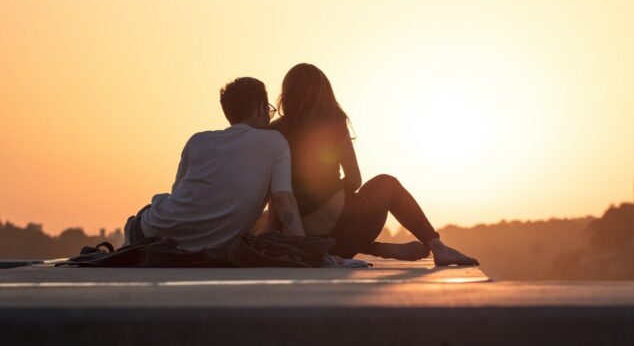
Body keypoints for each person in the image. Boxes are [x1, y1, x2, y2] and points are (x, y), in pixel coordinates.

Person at [269, 63, 478, 266]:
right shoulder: (333, 121)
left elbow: (274, 192)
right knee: (387, 184)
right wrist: (334, 193)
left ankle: (378, 249)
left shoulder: (275, 130)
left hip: (303, 238)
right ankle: (438, 248)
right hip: (344, 230)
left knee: (340, 218)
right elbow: (354, 179)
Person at [123, 77, 305, 250]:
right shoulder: (275, 142)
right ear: (260, 108)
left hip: (160, 232)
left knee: (145, 216)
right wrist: (305, 247)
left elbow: (181, 195)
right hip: (207, 244)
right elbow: (283, 199)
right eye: (269, 111)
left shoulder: (198, 141)